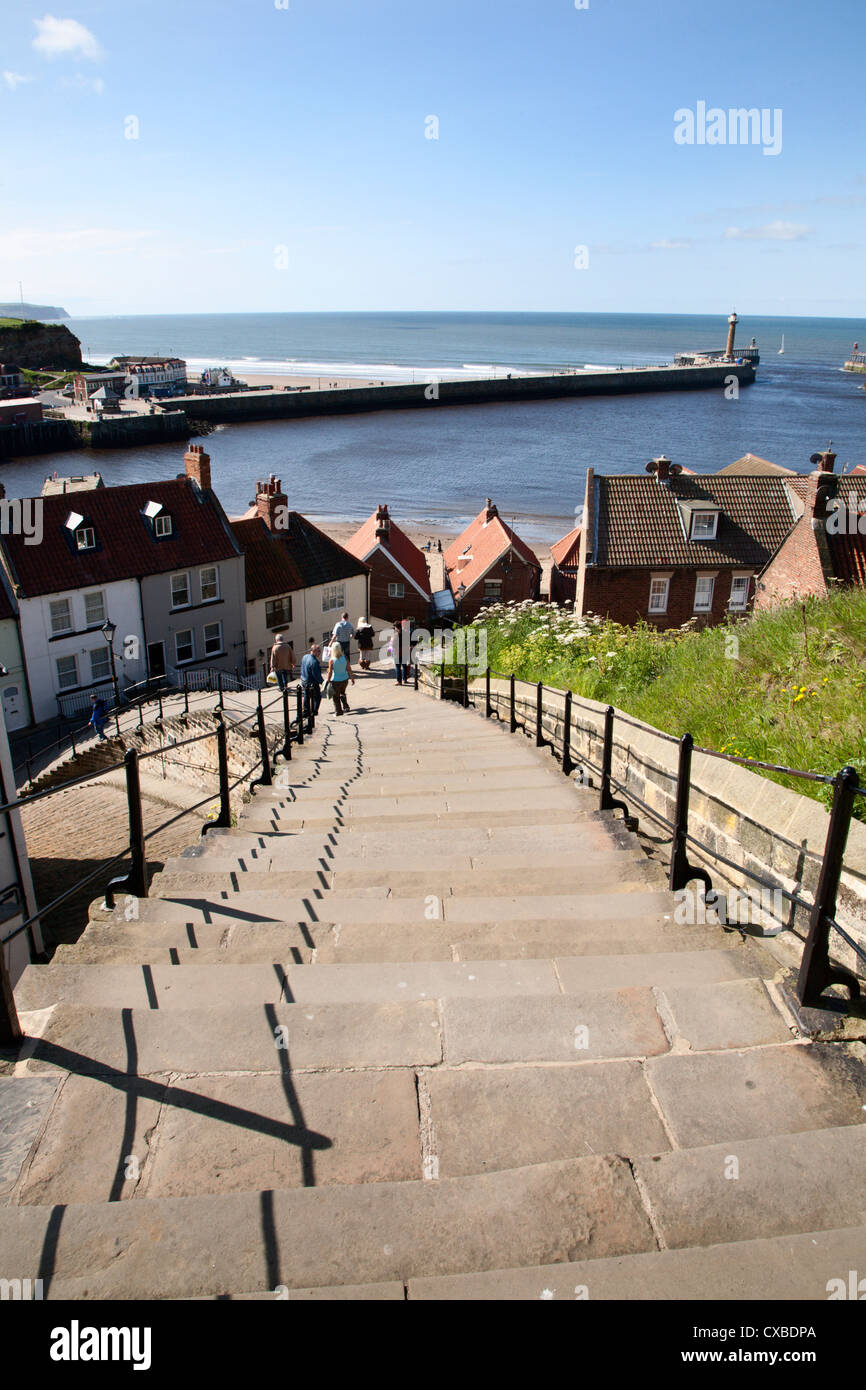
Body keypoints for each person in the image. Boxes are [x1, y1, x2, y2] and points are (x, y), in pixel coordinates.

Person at [327, 640, 354, 715]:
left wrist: (328, 681)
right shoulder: (345, 657)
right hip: (345, 679)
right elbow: (349, 669)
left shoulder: (332, 660)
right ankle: (346, 706)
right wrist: (352, 679)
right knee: (342, 693)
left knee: (336, 696)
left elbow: (330, 672)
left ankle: (339, 711)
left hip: (336, 680)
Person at [300, 638, 323, 714]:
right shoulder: (314, 662)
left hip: (304, 680)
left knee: (307, 695)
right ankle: (314, 711)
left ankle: (305, 711)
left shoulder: (305, 657)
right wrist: (322, 682)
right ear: (313, 651)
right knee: (317, 697)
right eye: (318, 651)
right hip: (311, 682)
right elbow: (316, 675)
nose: (320, 652)